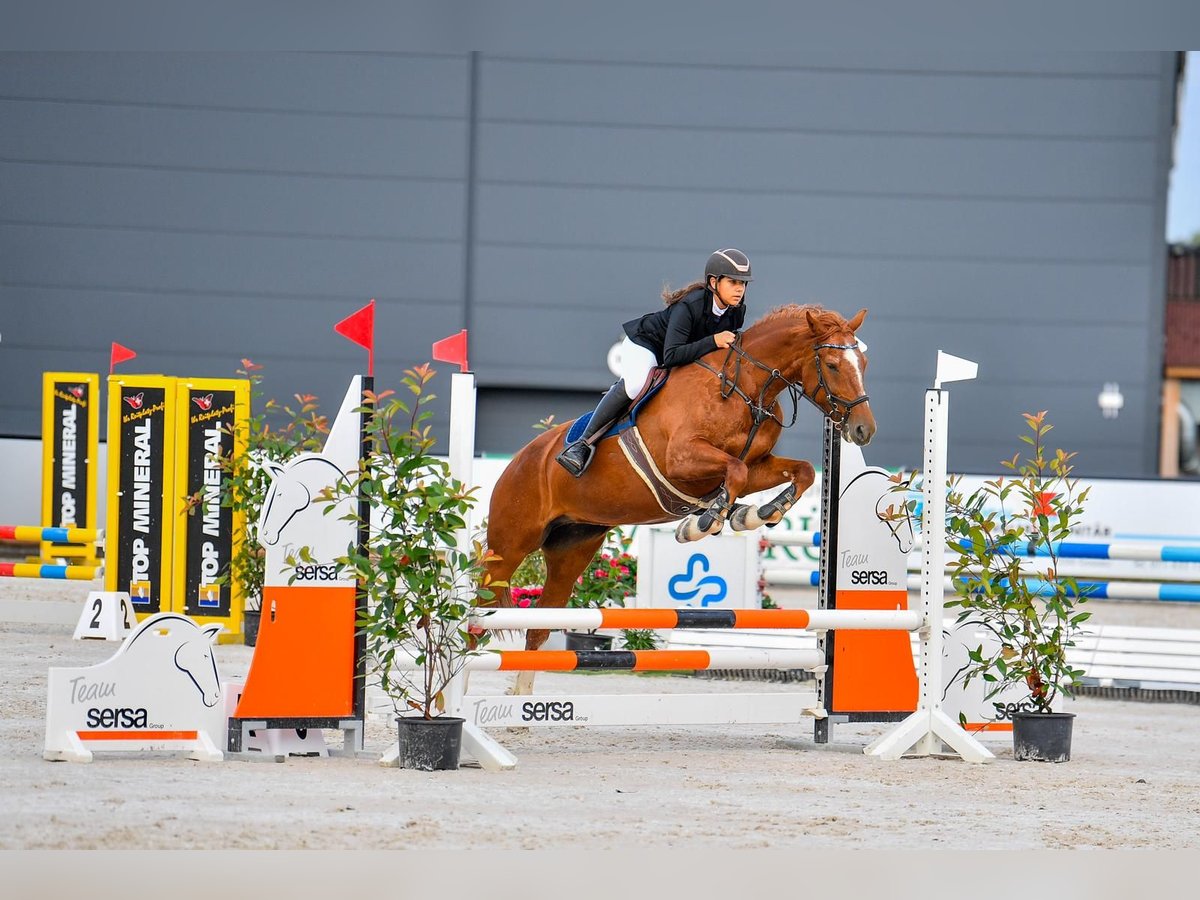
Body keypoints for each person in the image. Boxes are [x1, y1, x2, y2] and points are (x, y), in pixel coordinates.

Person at [556, 248, 752, 477]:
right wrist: (714, 340)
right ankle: (581, 444)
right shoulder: (689, 305)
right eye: (733, 282)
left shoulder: (737, 312)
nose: (740, 289)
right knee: (637, 384)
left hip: (681, 356)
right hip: (647, 345)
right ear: (713, 282)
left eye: (743, 284)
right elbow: (671, 356)